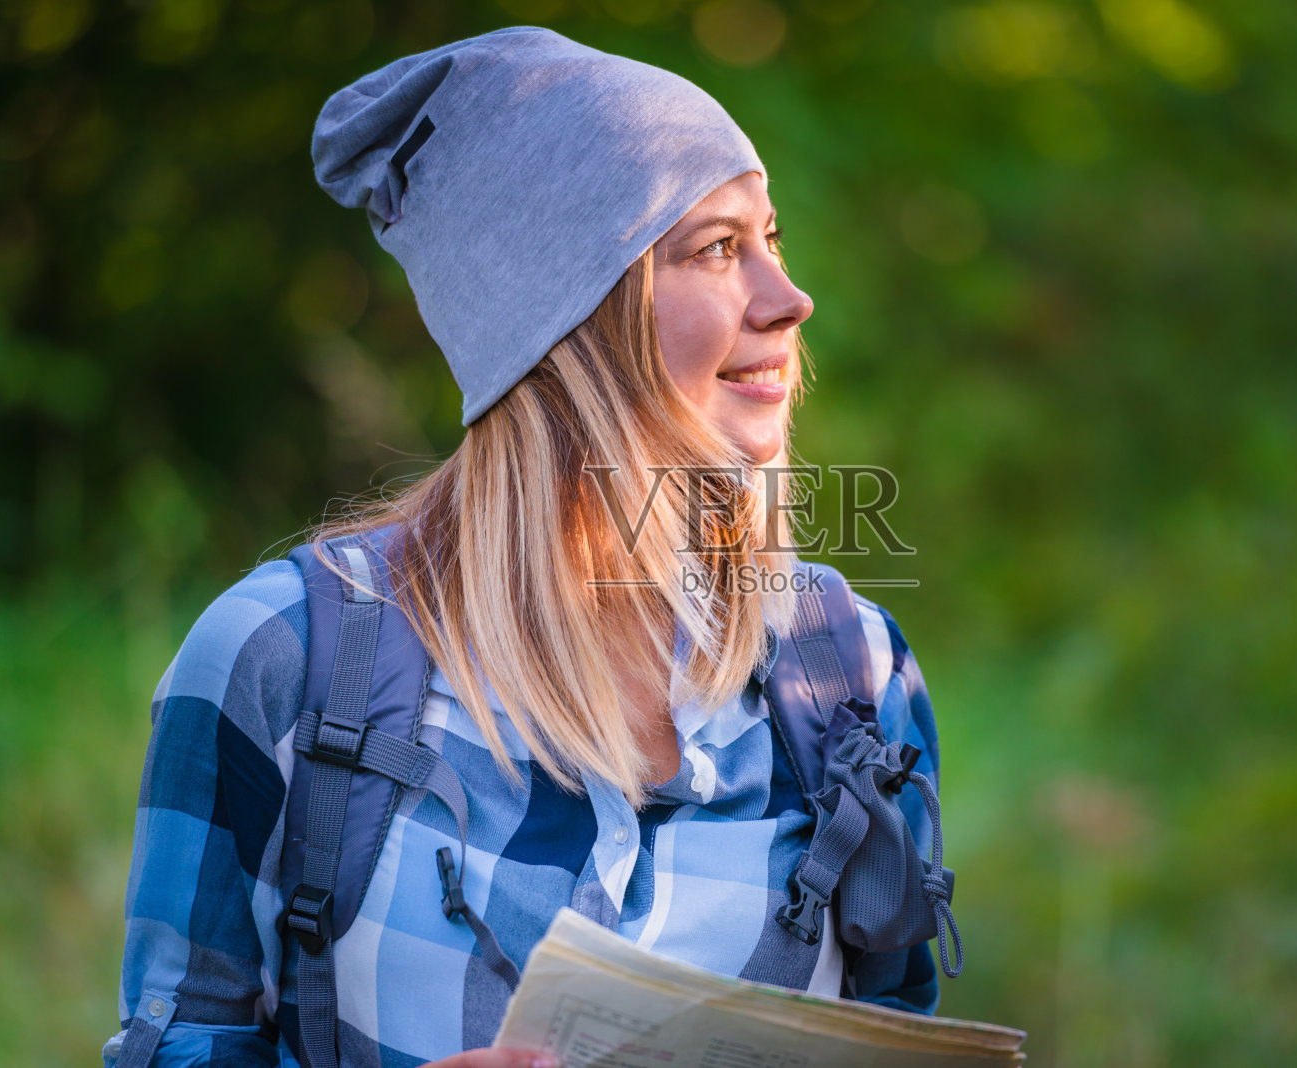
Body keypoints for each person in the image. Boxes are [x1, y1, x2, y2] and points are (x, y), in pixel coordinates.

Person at [104, 25, 948, 1068]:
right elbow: (181, 1040)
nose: (788, 300)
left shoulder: (847, 673)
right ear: (568, 317)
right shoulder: (280, 661)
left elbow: (896, 1031)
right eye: (717, 249)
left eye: (771, 241)